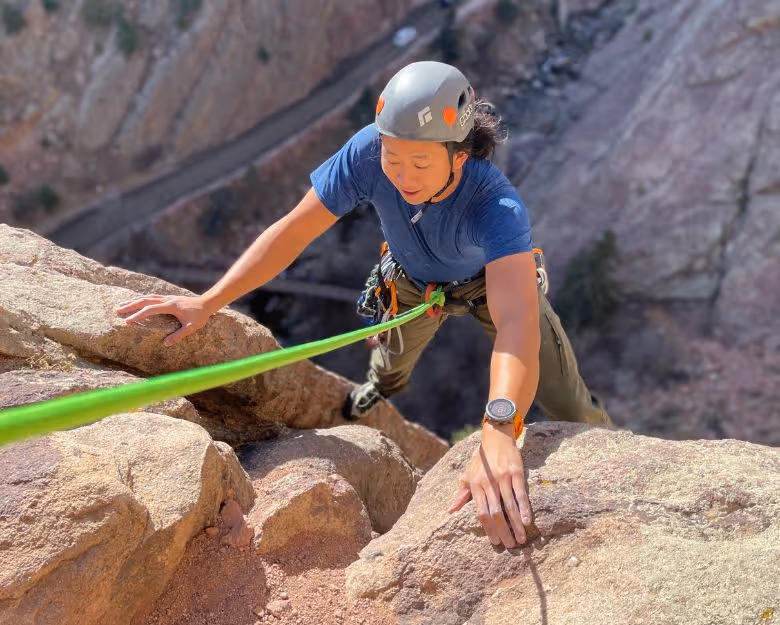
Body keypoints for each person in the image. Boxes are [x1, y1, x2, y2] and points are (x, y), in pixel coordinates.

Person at [116, 61, 612, 550]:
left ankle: (614, 455)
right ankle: (380, 384)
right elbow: (294, 230)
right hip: (414, 281)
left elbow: (516, 320)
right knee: (391, 367)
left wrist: (500, 428)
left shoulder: (495, 207)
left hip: (490, 284)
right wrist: (208, 302)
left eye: (420, 163)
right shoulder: (368, 154)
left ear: (459, 157)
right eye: (393, 158)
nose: (401, 175)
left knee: (567, 398)